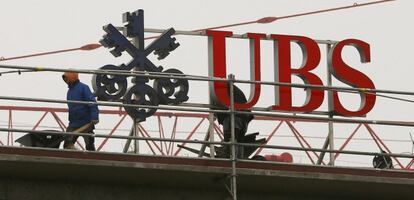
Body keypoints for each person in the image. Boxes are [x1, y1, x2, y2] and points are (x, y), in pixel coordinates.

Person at [214, 84, 254, 158]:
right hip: (244, 117)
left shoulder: (222, 89)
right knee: (239, 141)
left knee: (230, 139)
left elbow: (220, 105)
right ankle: (239, 161)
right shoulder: (233, 90)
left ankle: (232, 159)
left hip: (234, 116)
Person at [62, 71, 99, 151]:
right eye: (65, 78)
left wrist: (94, 117)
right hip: (73, 123)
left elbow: (92, 102)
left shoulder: (83, 88)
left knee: (89, 144)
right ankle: (71, 159)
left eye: (67, 78)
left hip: (86, 122)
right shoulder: (69, 92)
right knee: (67, 144)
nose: (66, 80)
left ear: (72, 77)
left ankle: (92, 159)